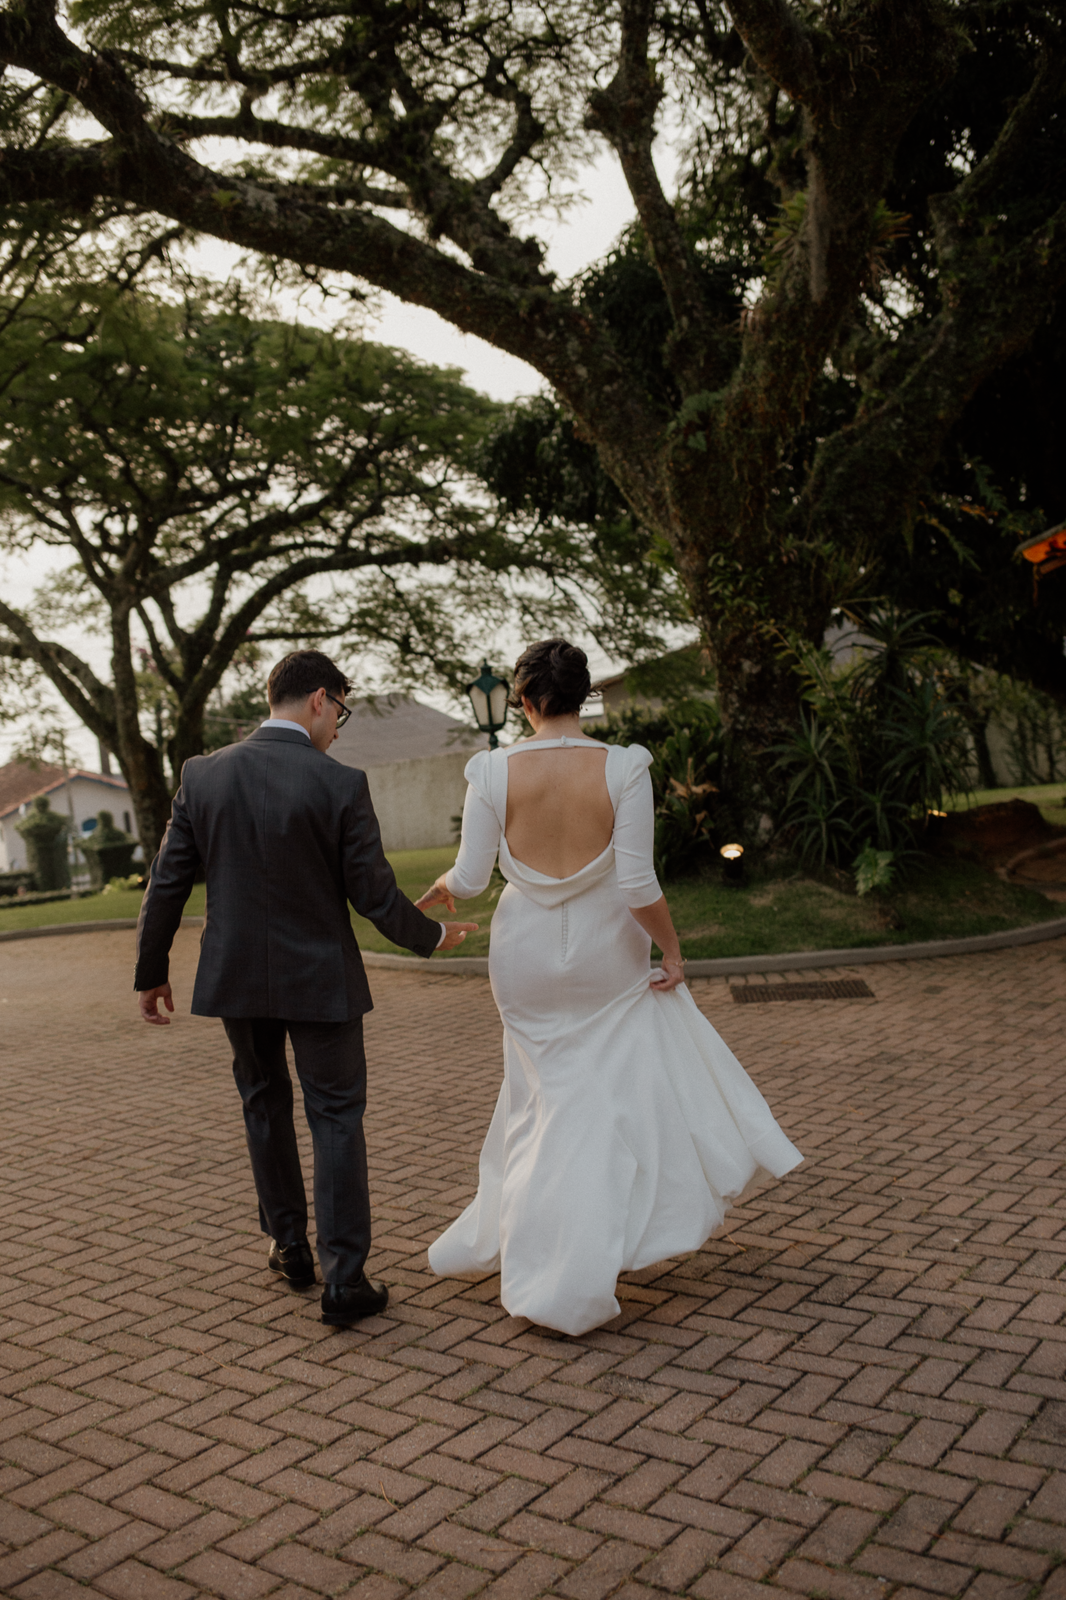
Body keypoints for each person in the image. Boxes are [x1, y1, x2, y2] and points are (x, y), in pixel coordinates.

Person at [418, 639, 802, 1336]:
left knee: (542, 1101)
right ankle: (587, 1252)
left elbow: (471, 880)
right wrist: (673, 948)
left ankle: (552, 1248)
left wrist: (442, 889)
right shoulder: (625, 767)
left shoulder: (490, 771)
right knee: (596, 1100)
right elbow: (636, 884)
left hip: (524, 955)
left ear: (524, 700)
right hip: (606, 952)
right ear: (584, 695)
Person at [134, 649, 477, 1327]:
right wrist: (432, 937)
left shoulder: (202, 776)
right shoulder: (339, 784)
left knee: (263, 1104)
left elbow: (166, 882)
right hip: (321, 981)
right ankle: (344, 1280)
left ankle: (290, 1247)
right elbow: (373, 897)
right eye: (341, 710)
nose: (340, 728)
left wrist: (151, 971)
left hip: (236, 978)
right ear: (319, 699)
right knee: (336, 1117)